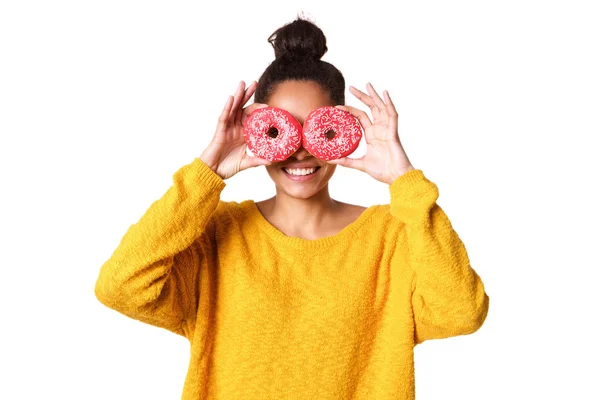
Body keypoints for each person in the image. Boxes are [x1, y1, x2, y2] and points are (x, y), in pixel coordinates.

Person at [94, 15, 490, 400]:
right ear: (254, 131)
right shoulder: (214, 234)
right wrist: (204, 175)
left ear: (345, 128)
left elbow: (461, 312)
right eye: (280, 130)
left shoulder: (394, 237)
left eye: (319, 129)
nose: (299, 149)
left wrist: (405, 182)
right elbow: (122, 287)